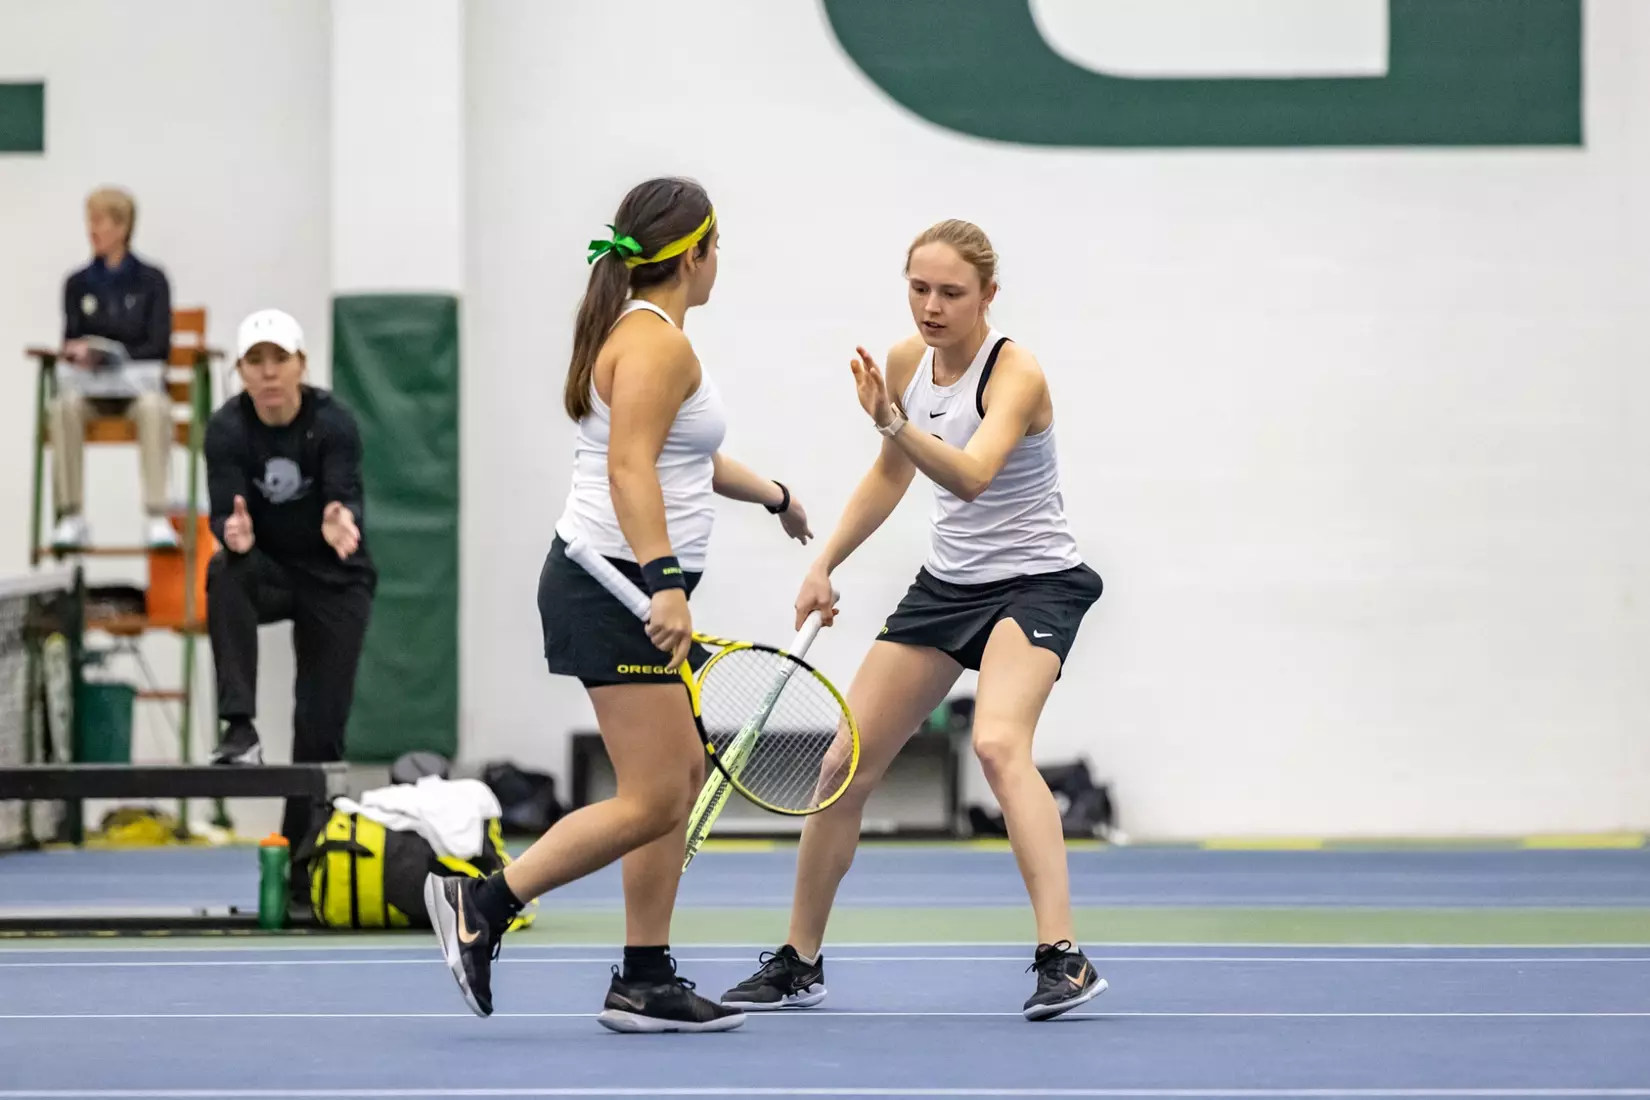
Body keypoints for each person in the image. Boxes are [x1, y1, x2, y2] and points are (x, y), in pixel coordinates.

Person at [424, 177, 812, 1035]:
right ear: (697, 254)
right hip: (612, 587)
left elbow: (685, 460)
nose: (723, 263)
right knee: (653, 797)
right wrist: (664, 583)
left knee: (677, 777)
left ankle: (643, 976)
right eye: (720, 248)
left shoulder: (646, 335)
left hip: (617, 582)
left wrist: (776, 495)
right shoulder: (656, 345)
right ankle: (482, 904)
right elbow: (628, 470)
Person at [720, 219, 1107, 1022]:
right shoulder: (906, 364)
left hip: (1037, 584)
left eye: (951, 293)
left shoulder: (1016, 373)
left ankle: (1062, 957)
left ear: (988, 297)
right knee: (839, 767)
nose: (931, 307)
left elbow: (968, 477)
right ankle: (799, 961)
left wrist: (895, 421)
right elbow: (891, 474)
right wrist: (825, 562)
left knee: (1000, 745)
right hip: (948, 587)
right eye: (919, 288)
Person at [202, 308, 377, 857]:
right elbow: (223, 514)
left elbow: (341, 491)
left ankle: (303, 860)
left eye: (280, 359)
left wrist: (339, 515)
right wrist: (232, 533)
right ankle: (239, 730)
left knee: (318, 727)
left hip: (335, 576)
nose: (269, 372)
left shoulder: (334, 423)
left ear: (301, 366)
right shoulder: (227, 429)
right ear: (241, 371)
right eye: (256, 361)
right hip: (269, 570)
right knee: (223, 573)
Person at [49, 186, 177, 551]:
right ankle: (71, 516)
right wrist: (81, 353)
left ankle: (156, 516)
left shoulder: (152, 281)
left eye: (99, 221)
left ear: (122, 227)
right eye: (89, 221)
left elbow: (158, 344)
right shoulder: (77, 284)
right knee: (62, 408)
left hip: (136, 390)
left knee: (155, 408)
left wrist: (116, 347)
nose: (91, 229)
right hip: (92, 390)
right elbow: (73, 338)